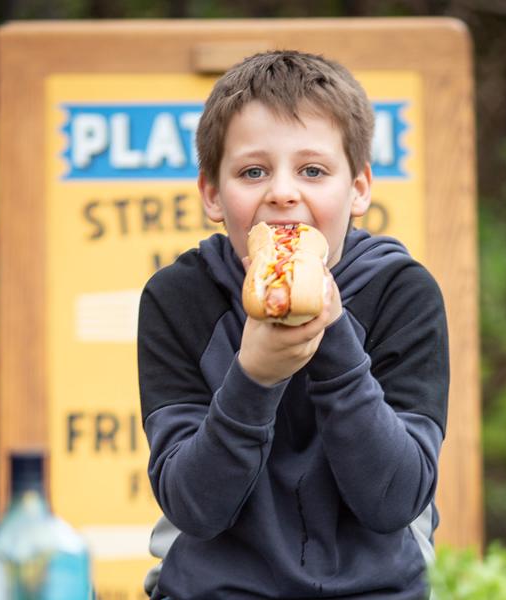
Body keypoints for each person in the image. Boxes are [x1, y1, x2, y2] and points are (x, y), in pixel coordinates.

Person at [137, 50, 449, 600]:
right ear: (213, 194)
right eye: (253, 171)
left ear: (357, 190)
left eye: (313, 170)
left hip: (378, 588)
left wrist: (334, 343)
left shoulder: (403, 292)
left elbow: (396, 500)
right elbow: (193, 507)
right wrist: (253, 378)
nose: (283, 192)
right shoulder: (176, 299)